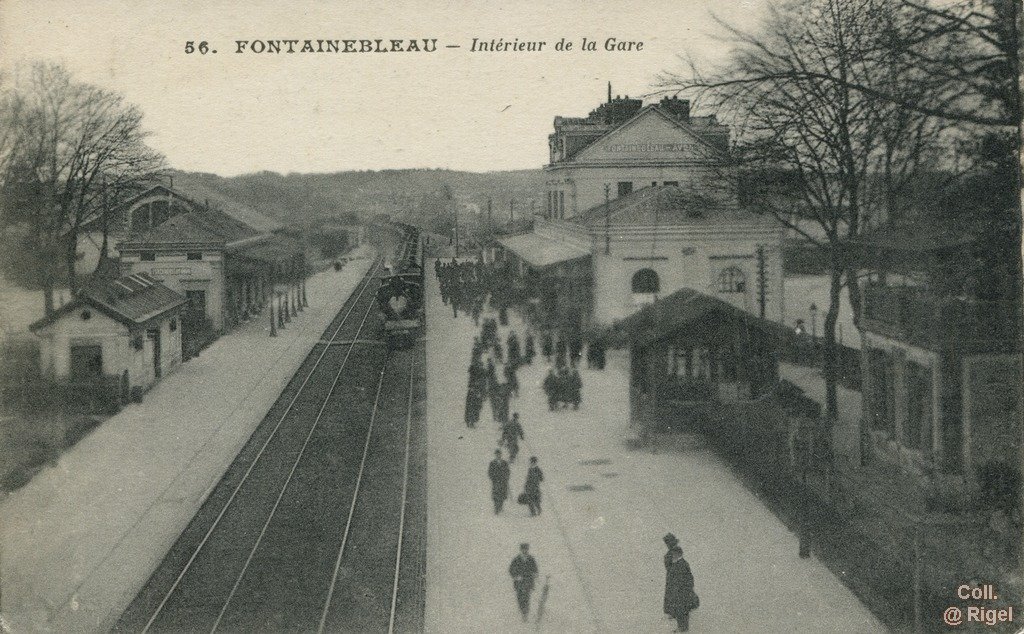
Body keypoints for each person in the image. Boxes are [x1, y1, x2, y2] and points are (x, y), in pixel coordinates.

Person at [662, 533, 698, 632]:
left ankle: (683, 628)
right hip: (677, 588)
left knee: (682, 609)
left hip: (681, 590)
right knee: (679, 607)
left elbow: (689, 579)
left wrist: (686, 588)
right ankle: (681, 625)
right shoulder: (676, 562)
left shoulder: (682, 564)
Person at [509, 543, 539, 621]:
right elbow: (511, 569)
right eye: (523, 549)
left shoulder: (531, 559)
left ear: (528, 550)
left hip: (528, 581)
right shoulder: (516, 559)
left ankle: (525, 613)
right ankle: (522, 610)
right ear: (521, 550)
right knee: (520, 597)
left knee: (526, 596)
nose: (525, 551)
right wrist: (516, 576)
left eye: (526, 549)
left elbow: (535, 569)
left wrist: (535, 574)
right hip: (519, 582)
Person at [488, 450, 511, 514]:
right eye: (497, 454)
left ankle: (500, 506)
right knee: (495, 495)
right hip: (496, 481)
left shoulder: (504, 463)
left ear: (501, 455)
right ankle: (496, 508)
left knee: (502, 495)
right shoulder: (492, 463)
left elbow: (508, 471)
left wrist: (506, 478)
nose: (498, 455)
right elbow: (490, 472)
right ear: (495, 455)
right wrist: (493, 478)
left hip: (503, 481)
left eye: (499, 454)